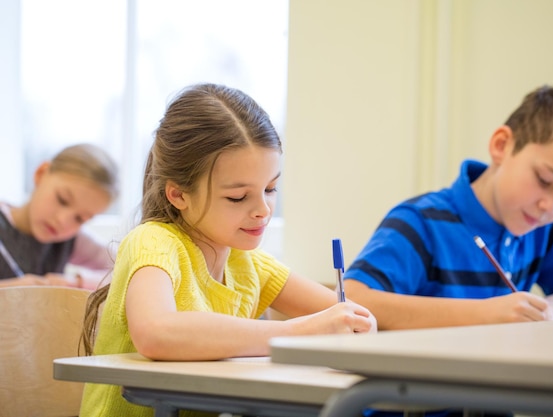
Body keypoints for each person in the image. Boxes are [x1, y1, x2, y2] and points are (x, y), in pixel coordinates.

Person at [79, 83, 376, 417]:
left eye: (271, 188)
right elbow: (156, 333)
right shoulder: (153, 243)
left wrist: (358, 323)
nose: (263, 209)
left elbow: (355, 319)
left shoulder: (249, 263)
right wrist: (297, 332)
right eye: (238, 197)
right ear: (178, 195)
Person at [345, 85, 553, 417]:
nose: (550, 206)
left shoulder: (542, 233)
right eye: (545, 180)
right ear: (501, 145)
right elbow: (352, 300)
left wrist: (548, 307)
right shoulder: (422, 221)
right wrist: (487, 315)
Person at [0, 143, 119, 290]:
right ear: (41, 174)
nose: (62, 221)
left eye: (80, 219)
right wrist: (8, 290)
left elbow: (126, 269)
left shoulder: (71, 240)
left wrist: (76, 282)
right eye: (62, 200)